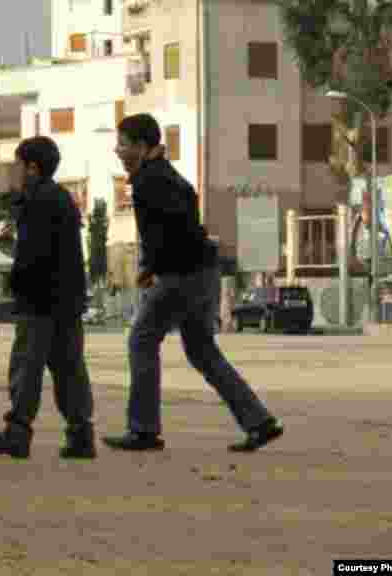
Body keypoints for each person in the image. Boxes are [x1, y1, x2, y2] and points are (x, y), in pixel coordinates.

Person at [103, 113, 284, 452]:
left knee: (141, 340)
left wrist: (149, 267)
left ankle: (143, 429)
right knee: (202, 351)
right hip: (203, 272)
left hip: (180, 275)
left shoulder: (148, 181)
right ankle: (258, 421)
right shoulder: (173, 177)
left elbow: (162, 232)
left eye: (123, 145)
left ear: (142, 147)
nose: (119, 151)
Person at [0, 136, 96, 460]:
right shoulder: (62, 199)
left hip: (39, 301)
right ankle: (81, 433)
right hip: (67, 300)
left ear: (32, 167)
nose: (15, 172)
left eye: (18, 165)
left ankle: (18, 432)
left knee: (27, 366)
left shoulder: (37, 202)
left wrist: (17, 285)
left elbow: (32, 256)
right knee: (69, 368)